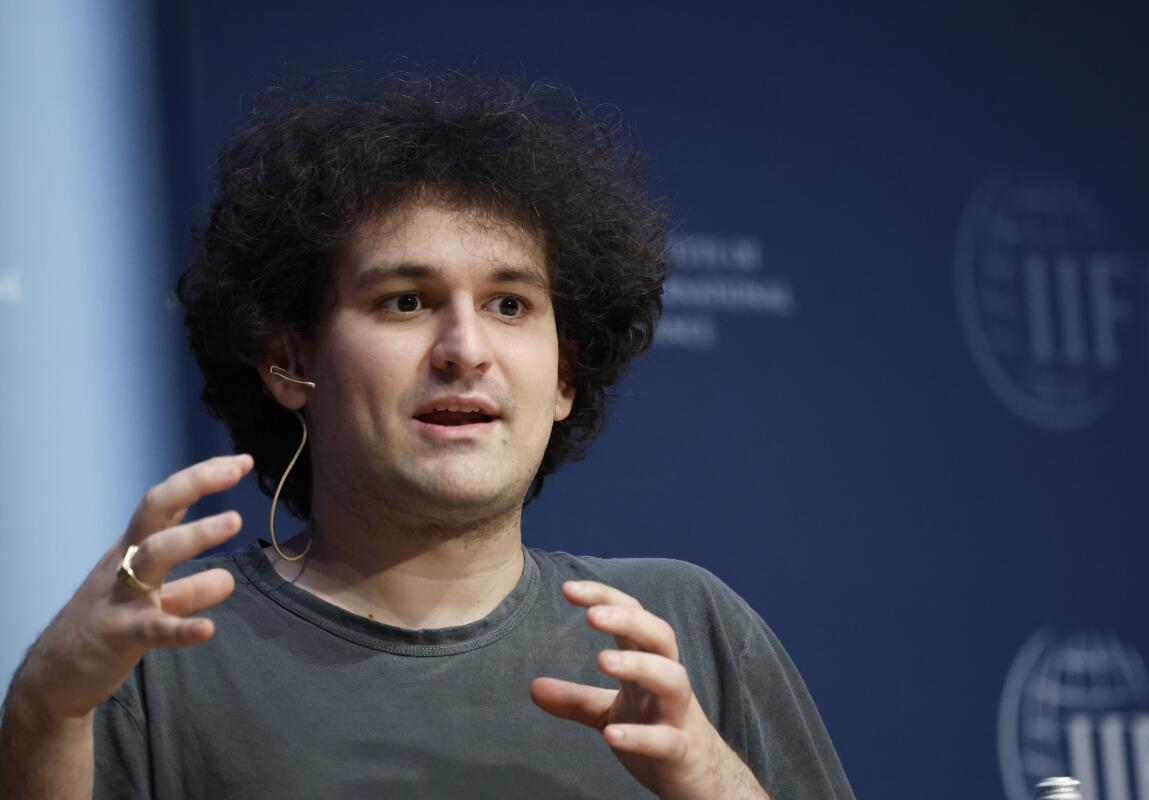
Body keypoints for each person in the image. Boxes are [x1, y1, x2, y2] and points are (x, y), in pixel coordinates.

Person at [0, 69, 854, 799]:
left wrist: (716, 778)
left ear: (562, 376)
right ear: (287, 359)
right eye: (405, 301)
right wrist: (41, 715)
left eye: (509, 305)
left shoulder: (684, 629)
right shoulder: (160, 658)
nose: (466, 351)